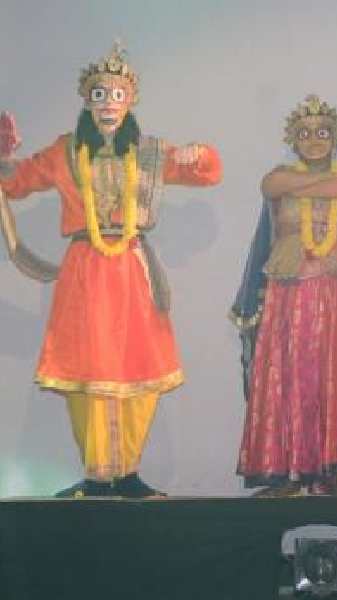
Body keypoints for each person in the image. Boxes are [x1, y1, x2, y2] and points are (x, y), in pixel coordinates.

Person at [0, 42, 222, 498]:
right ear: (87, 100)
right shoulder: (64, 152)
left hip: (132, 271)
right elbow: (17, 181)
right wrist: (4, 160)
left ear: (130, 101)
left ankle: (128, 472)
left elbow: (207, 173)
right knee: (88, 372)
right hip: (84, 271)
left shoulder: (147, 152)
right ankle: (98, 473)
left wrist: (198, 154)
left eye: (117, 95)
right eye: (99, 94)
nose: (108, 104)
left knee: (137, 369)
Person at [231, 95, 337, 496]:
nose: (315, 140)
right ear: (293, 141)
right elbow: (270, 186)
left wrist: (302, 188)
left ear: (336, 139)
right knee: (291, 379)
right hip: (291, 294)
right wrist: (317, 186)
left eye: (323, 133)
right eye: (305, 134)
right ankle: (287, 474)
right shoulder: (278, 177)